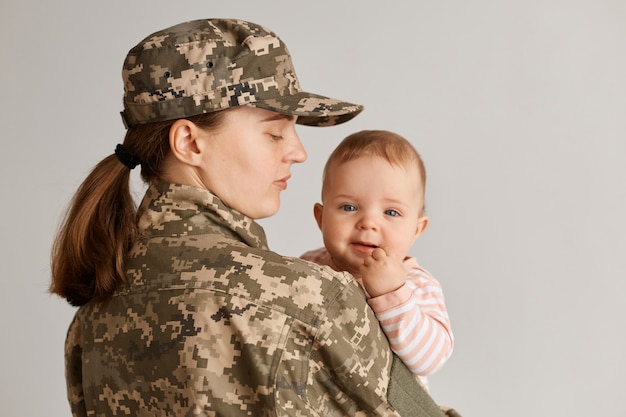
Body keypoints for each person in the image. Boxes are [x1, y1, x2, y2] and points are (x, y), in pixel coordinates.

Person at [49, 18, 450, 416]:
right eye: (275, 133)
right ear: (189, 142)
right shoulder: (310, 297)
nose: (298, 152)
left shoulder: (93, 314)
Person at [301, 130, 454, 391]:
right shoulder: (310, 265)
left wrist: (392, 294)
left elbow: (430, 359)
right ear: (320, 217)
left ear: (416, 229)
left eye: (391, 212)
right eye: (349, 207)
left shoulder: (415, 285)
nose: (369, 223)